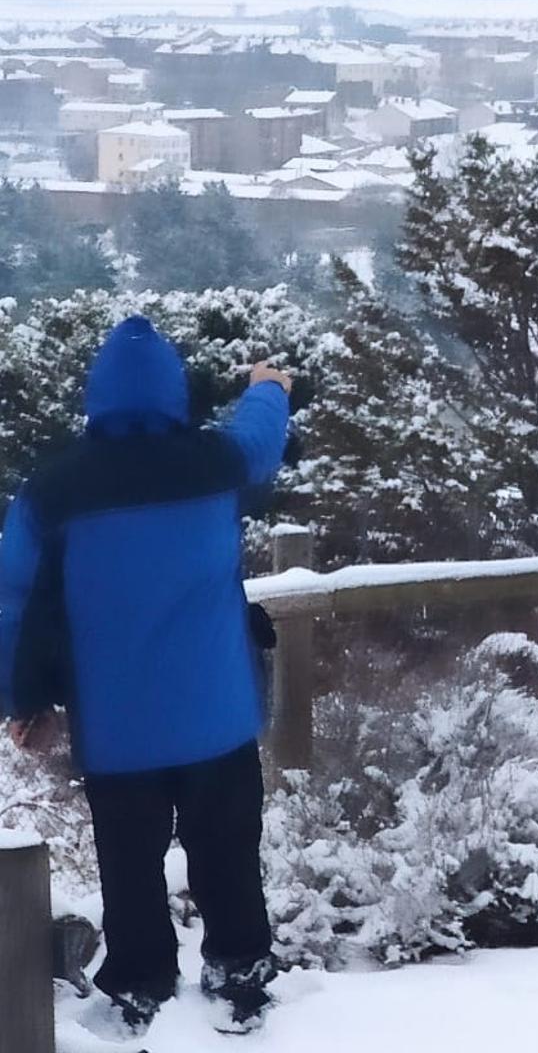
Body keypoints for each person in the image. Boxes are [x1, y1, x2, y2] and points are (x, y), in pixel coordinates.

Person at [0, 317, 292, 1034]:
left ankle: (139, 984)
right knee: (227, 851)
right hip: (218, 714)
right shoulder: (215, 464)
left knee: (129, 865)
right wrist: (268, 387)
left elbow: (11, 598)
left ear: (95, 397)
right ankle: (240, 974)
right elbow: (260, 437)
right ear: (174, 393)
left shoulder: (55, 489)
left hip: (116, 726)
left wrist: (22, 700)